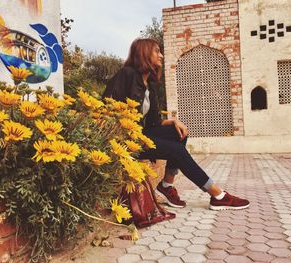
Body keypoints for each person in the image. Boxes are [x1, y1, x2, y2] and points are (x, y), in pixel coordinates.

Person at [103, 38, 250, 211]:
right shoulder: (126, 74)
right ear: (144, 52)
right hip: (125, 140)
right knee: (176, 150)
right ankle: (218, 195)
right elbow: (107, 106)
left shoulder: (149, 84)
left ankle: (166, 185)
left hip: (141, 134)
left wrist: (173, 121)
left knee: (178, 132)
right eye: (157, 51)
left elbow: (154, 122)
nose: (161, 55)